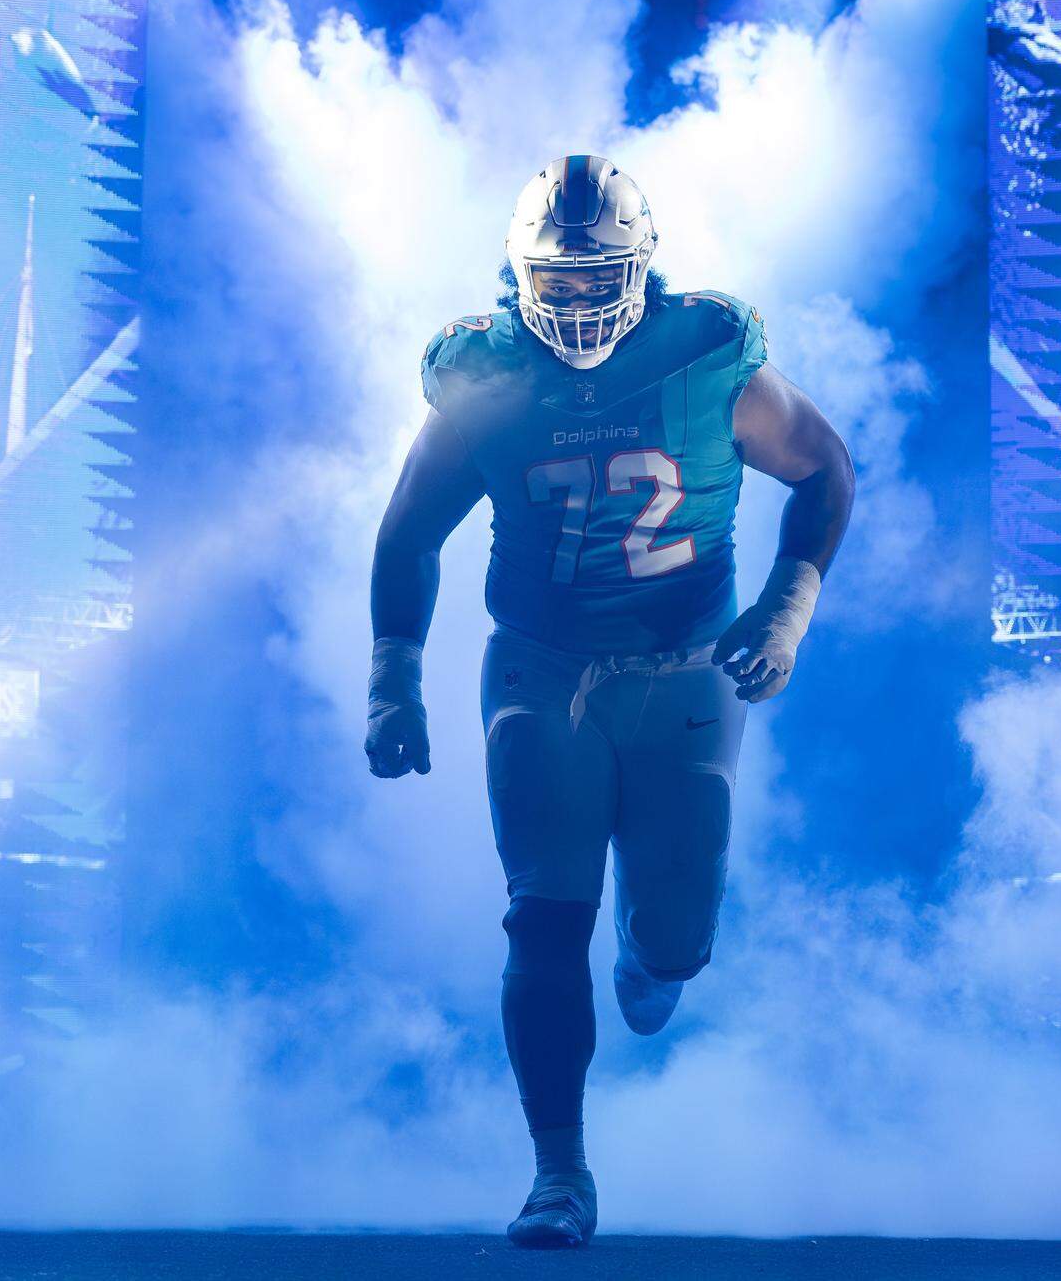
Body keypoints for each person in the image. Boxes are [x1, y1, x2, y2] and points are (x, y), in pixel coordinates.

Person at [366, 155, 855, 1249]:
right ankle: (559, 1174)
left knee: (673, 945)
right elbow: (409, 531)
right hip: (541, 670)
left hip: (687, 670)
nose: (581, 299)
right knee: (543, 917)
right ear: (519, 272)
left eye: (601, 277)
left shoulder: (706, 350)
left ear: (643, 268)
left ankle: (652, 956)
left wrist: (787, 608)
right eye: (561, 279)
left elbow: (824, 466)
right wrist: (393, 673)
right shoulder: (483, 373)